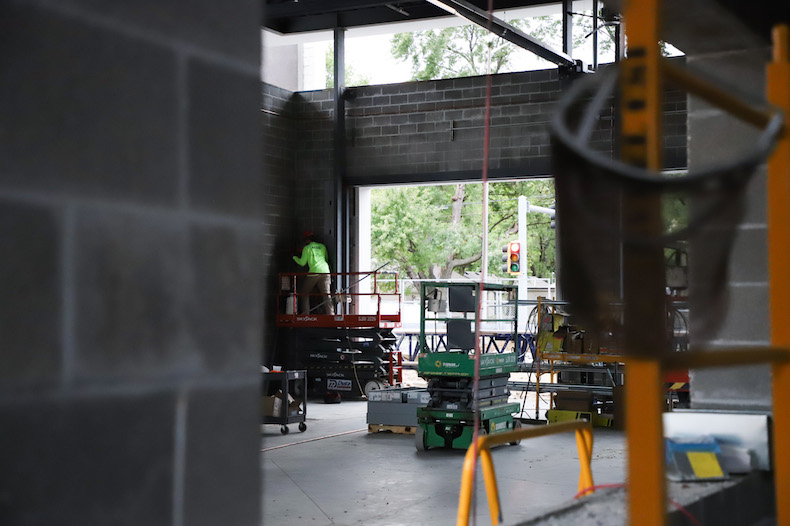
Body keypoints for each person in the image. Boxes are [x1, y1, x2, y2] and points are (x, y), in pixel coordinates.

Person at [292, 231, 334, 315]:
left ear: (306, 240)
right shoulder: (322, 247)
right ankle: (331, 314)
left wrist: (294, 257)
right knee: (326, 295)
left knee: (304, 292)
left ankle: (306, 313)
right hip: (325, 271)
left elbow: (302, 262)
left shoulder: (307, 248)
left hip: (314, 272)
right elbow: (326, 258)